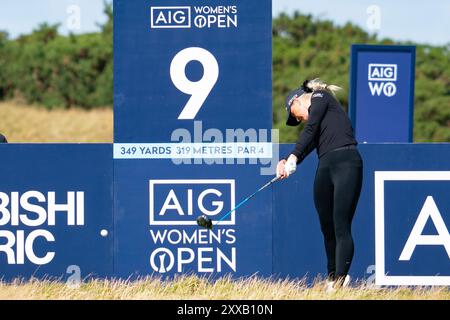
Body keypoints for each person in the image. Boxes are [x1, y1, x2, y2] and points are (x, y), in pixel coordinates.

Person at [276, 79, 363, 291]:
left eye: (296, 115)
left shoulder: (321, 97)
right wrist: (286, 159)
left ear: (297, 100)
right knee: (327, 227)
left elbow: (310, 128)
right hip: (325, 166)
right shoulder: (317, 124)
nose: (299, 119)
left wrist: (293, 156)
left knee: (341, 224)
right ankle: (332, 278)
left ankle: (340, 281)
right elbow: (308, 142)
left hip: (347, 162)